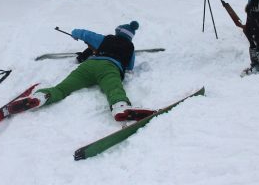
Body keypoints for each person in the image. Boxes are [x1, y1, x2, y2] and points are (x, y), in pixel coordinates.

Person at [10, 21, 154, 121]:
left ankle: (42, 96)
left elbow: (83, 33)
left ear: (117, 32)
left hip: (89, 65)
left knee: (63, 88)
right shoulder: (130, 48)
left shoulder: (105, 39)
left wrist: (75, 34)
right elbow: (129, 66)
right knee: (113, 89)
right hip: (109, 69)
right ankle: (120, 107)